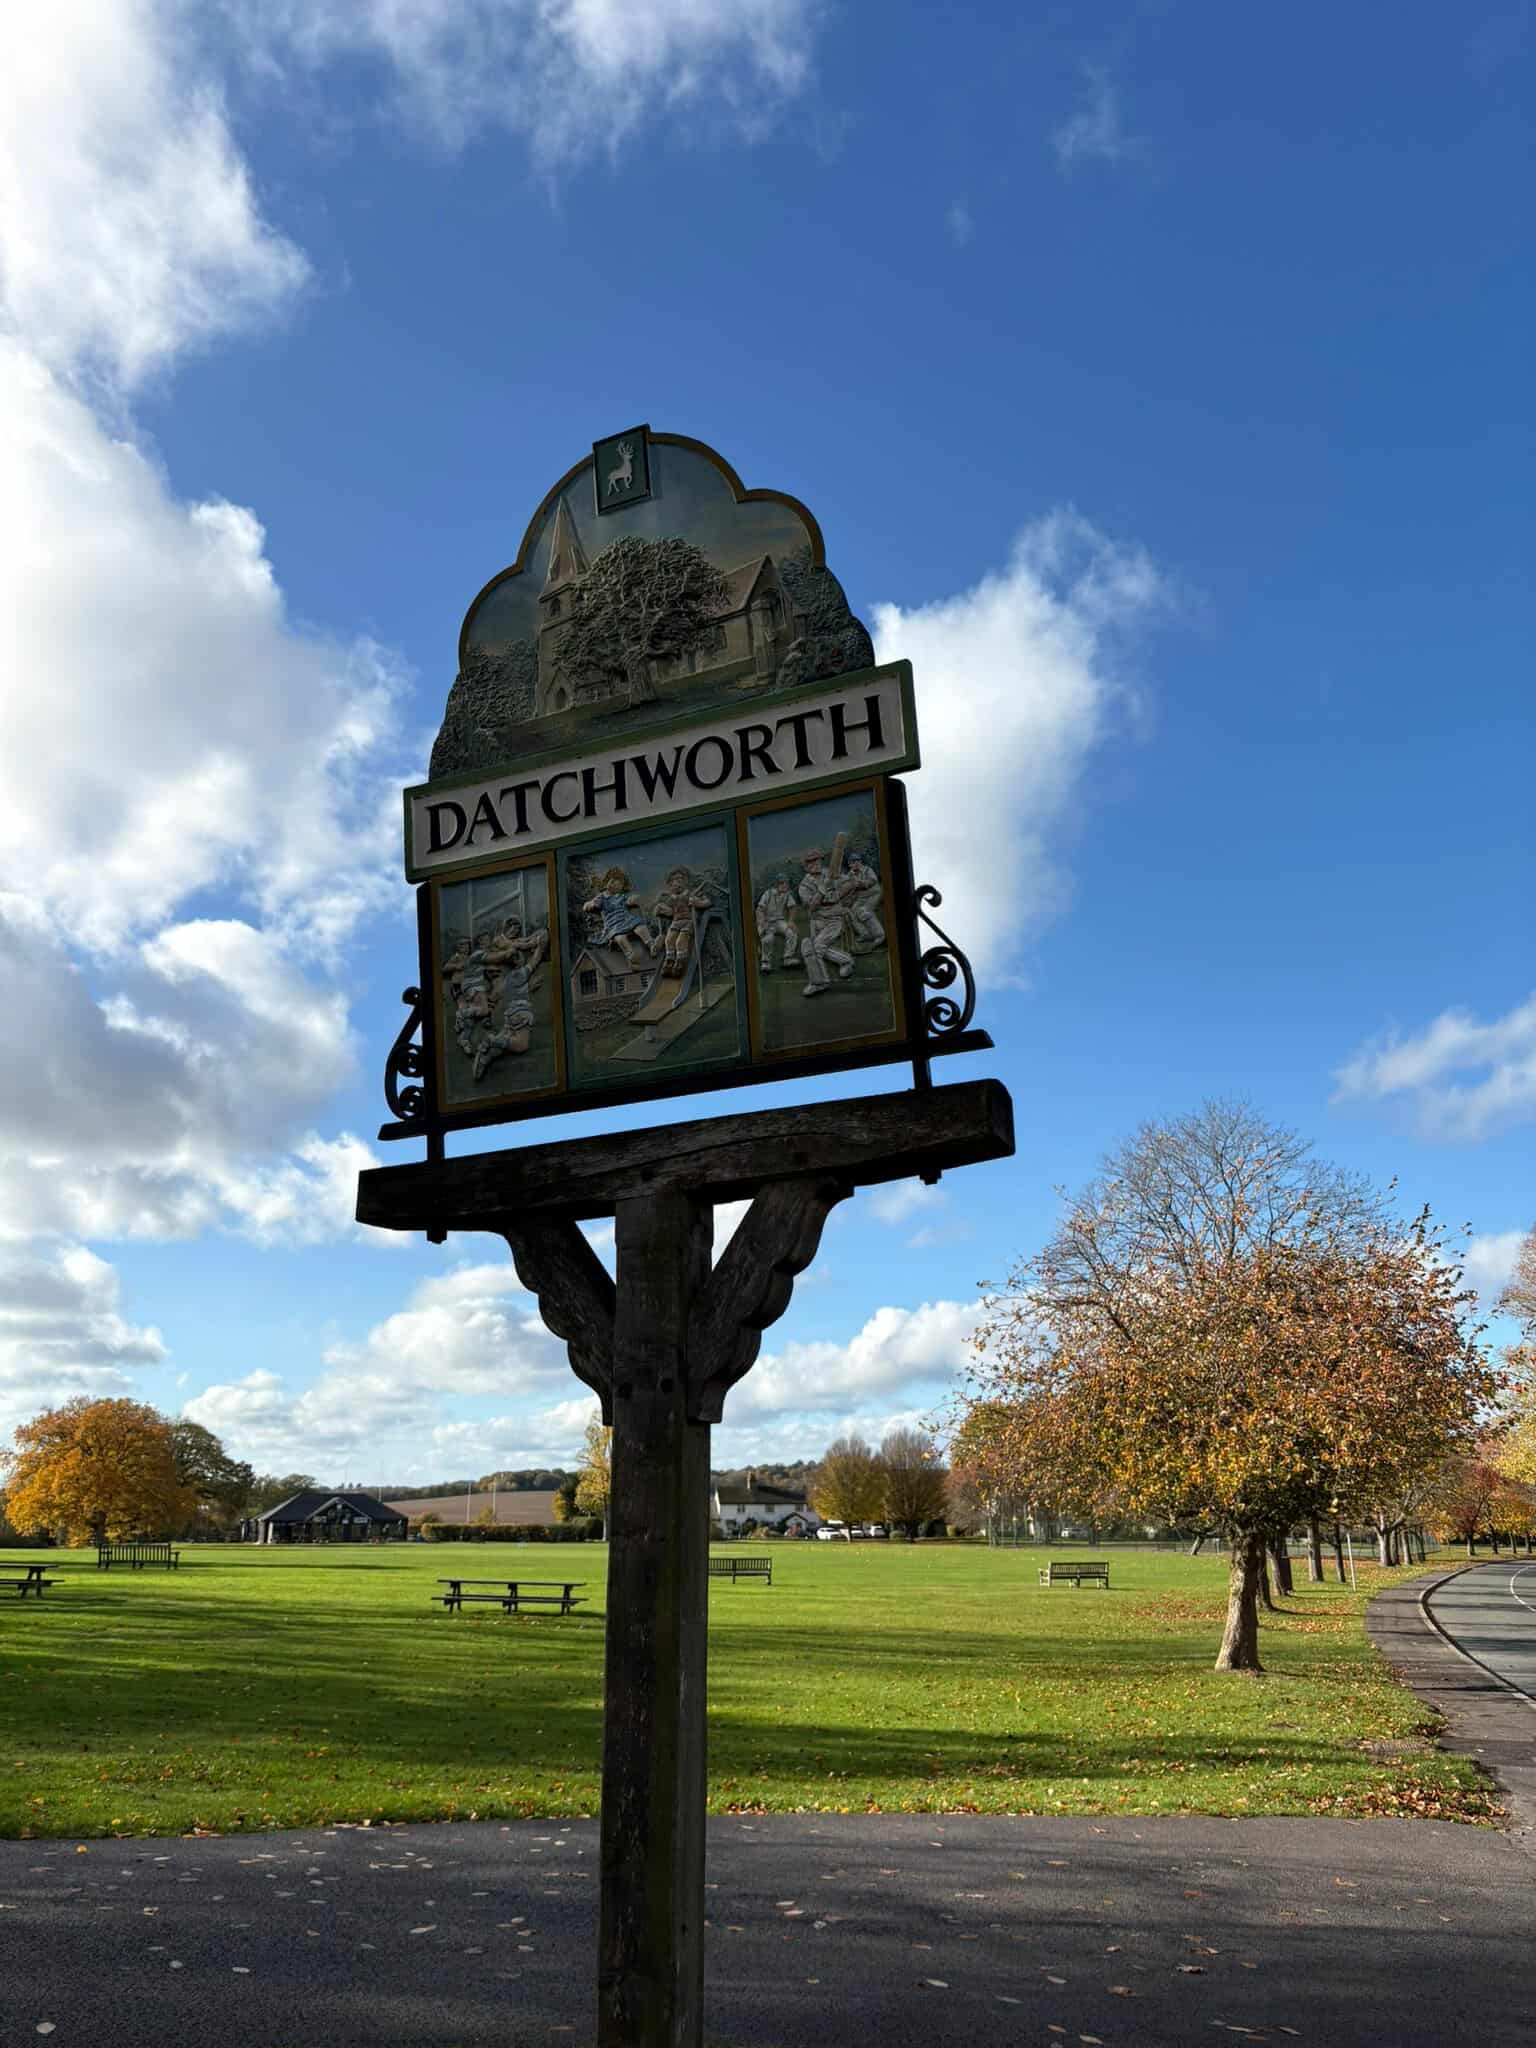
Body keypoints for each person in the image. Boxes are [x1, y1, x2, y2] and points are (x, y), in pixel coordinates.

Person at [796, 847, 857, 998]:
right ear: (806, 866)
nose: (815, 863)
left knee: (817, 946)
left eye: (817, 860)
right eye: (811, 862)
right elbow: (811, 906)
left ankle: (819, 982)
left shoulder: (830, 874)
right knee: (808, 946)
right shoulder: (804, 886)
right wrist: (822, 891)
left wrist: (840, 891)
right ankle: (846, 961)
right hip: (816, 921)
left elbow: (850, 884)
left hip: (834, 919)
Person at [582, 867, 658, 968]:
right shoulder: (602, 897)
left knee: (641, 927)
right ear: (607, 883)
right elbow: (586, 906)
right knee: (620, 938)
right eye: (613, 881)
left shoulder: (621, 896)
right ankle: (631, 957)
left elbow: (628, 901)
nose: (616, 885)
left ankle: (651, 945)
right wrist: (591, 904)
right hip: (613, 925)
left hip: (627, 920)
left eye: (619, 884)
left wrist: (632, 900)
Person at [652, 866, 713, 978]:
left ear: (685, 881)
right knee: (669, 940)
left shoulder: (691, 893)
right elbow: (671, 912)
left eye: (679, 879)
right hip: (676, 922)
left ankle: (680, 962)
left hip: (688, 921)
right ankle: (669, 961)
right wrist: (661, 909)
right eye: (673, 881)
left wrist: (697, 902)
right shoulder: (672, 898)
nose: (676, 883)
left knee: (680, 941)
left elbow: (707, 902)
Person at [755, 873, 798, 972]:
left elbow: (792, 907)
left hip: (779, 921)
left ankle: (788, 958)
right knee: (768, 939)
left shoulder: (787, 894)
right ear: (777, 884)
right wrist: (761, 924)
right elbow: (759, 909)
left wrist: (791, 921)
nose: (785, 885)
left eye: (786, 883)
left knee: (791, 933)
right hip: (766, 921)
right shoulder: (768, 893)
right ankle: (765, 962)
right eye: (782, 883)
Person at [842, 853, 885, 950]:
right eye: (853, 862)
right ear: (850, 865)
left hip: (873, 894)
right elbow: (849, 888)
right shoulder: (849, 874)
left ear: (861, 862)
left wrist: (860, 883)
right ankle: (865, 934)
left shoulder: (867, 870)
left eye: (858, 861)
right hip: (861, 897)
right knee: (851, 913)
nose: (856, 863)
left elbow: (872, 881)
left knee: (864, 911)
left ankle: (879, 936)